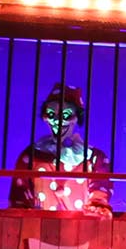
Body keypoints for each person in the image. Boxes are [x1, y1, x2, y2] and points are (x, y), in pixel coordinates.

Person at [12, 84, 111, 215]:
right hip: (40, 230)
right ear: (45, 117)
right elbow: (20, 197)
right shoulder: (31, 155)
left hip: (81, 230)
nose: (57, 120)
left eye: (65, 115)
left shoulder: (95, 158)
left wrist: (96, 207)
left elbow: (100, 194)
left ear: (77, 117)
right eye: (51, 114)